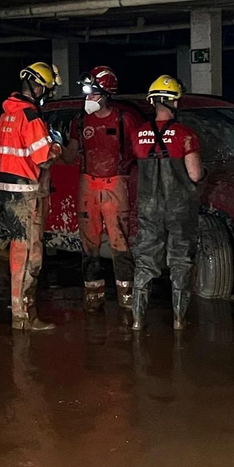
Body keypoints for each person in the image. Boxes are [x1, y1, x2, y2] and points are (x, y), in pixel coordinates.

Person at [128, 76, 205, 332]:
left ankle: (138, 321)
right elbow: (194, 175)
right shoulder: (185, 134)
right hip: (179, 207)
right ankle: (179, 321)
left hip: (149, 207)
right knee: (180, 261)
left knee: (145, 261)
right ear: (173, 101)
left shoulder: (139, 134)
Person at [70, 66, 142, 317]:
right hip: (88, 183)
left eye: (92, 92)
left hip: (116, 183)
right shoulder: (79, 121)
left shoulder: (126, 118)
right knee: (88, 242)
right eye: (87, 93)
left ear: (106, 93)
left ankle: (127, 298)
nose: (87, 98)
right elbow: (71, 154)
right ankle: (93, 297)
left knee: (119, 241)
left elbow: (140, 151)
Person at [0, 61, 61, 332]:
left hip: (7, 190)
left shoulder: (5, 114)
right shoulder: (30, 116)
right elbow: (43, 156)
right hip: (25, 191)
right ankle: (23, 317)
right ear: (36, 87)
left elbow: (1, 153)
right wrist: (56, 144)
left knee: (19, 248)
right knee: (29, 254)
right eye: (44, 89)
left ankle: (20, 313)